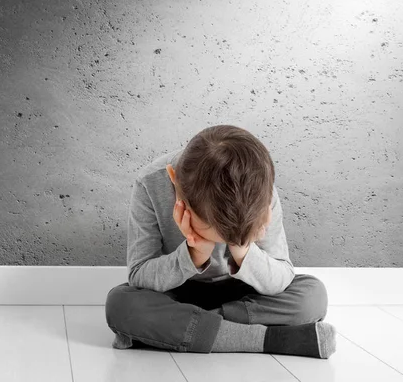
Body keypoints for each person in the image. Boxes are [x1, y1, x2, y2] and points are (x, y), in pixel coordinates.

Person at [105, 125, 337, 359]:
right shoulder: (149, 184)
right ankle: (267, 339)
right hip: (176, 289)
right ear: (176, 183)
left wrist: (242, 247)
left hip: (244, 295)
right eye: (213, 233)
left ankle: (188, 329)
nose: (220, 243)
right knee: (121, 303)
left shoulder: (259, 191)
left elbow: (281, 276)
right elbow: (139, 275)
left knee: (312, 295)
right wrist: (195, 253)